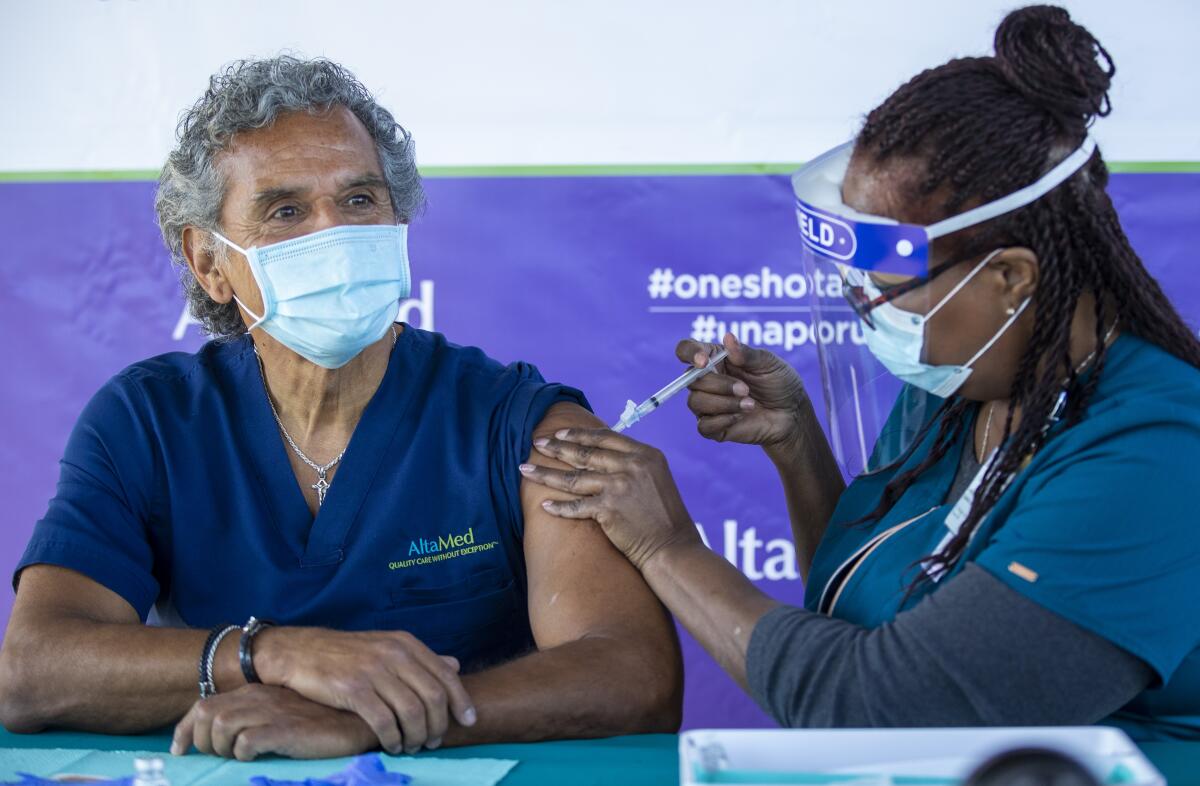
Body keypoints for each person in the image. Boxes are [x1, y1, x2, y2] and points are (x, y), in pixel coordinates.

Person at [522, 5, 1200, 740]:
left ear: (1009, 278)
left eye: (888, 288)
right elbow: (856, 618)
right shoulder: (961, 387)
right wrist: (798, 446)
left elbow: (886, 707)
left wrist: (666, 546)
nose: (867, 309)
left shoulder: (1158, 454)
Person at [0, 56, 682, 760]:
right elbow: (32, 672)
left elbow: (633, 673)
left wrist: (368, 722)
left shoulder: (521, 427)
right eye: (286, 210)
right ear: (209, 262)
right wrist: (269, 655)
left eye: (359, 200)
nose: (333, 235)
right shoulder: (150, 423)